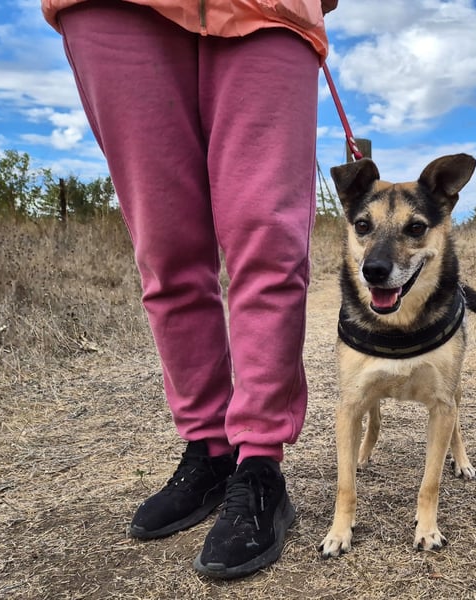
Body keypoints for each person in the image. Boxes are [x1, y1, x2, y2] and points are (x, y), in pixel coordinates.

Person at [41, 0, 338, 580]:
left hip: (270, 9)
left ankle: (259, 463)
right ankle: (209, 449)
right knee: (165, 247)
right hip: (112, 10)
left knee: (269, 242)